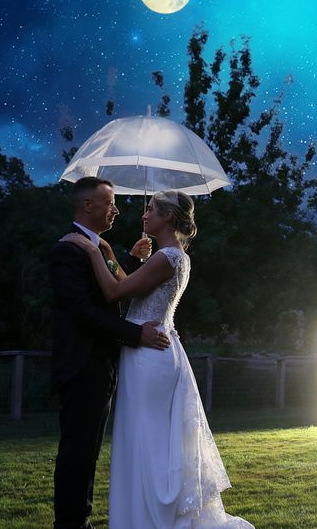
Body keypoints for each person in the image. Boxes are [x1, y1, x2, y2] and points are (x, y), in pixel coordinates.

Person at [60, 189, 253, 529]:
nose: (143, 215)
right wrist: (109, 251)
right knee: (146, 437)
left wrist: (92, 251)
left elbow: (114, 292)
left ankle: (154, 518)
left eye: (150, 209)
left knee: (148, 440)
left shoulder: (167, 258)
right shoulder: (167, 257)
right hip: (151, 351)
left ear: (167, 217)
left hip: (150, 354)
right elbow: (127, 282)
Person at [50, 176, 172, 529]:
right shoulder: (67, 250)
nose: (116, 209)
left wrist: (131, 264)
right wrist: (137, 334)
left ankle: (79, 521)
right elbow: (83, 312)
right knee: (77, 452)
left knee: (87, 451)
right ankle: (72, 524)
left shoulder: (99, 246)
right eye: (109, 202)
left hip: (101, 365)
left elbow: (112, 294)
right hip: (81, 365)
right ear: (88, 205)